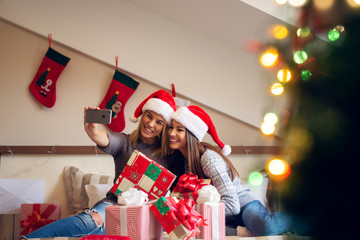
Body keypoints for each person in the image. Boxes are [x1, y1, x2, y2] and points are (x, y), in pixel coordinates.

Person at [21, 89, 184, 239]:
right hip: (115, 204)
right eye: (149, 116)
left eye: (159, 122)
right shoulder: (125, 142)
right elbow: (106, 139)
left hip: (151, 211)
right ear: (143, 116)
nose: (150, 124)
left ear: (165, 128)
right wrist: (92, 130)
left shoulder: (173, 154)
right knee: (89, 222)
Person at [168, 105, 308, 236]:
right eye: (171, 127)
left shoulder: (208, 158)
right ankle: (240, 231)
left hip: (242, 204)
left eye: (179, 129)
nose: (172, 133)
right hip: (223, 215)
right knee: (197, 228)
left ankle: (306, 221)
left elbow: (233, 205)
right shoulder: (183, 161)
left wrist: (195, 213)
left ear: (192, 135)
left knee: (265, 226)